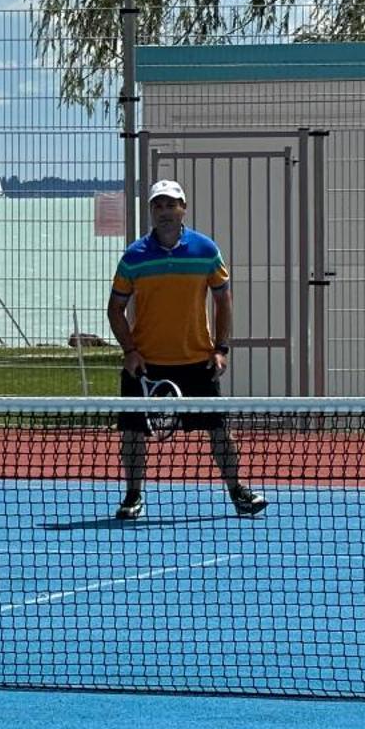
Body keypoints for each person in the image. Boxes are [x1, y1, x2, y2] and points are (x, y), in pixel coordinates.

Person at [106, 179, 268, 521]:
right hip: (145, 364)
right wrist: (130, 351)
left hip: (196, 361)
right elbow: (115, 309)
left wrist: (220, 348)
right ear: (151, 211)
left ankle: (237, 491)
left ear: (183, 208)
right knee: (133, 433)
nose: (164, 212)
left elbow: (223, 300)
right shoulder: (134, 256)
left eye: (171, 205)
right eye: (158, 205)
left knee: (219, 430)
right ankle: (133, 495)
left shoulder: (206, 250)